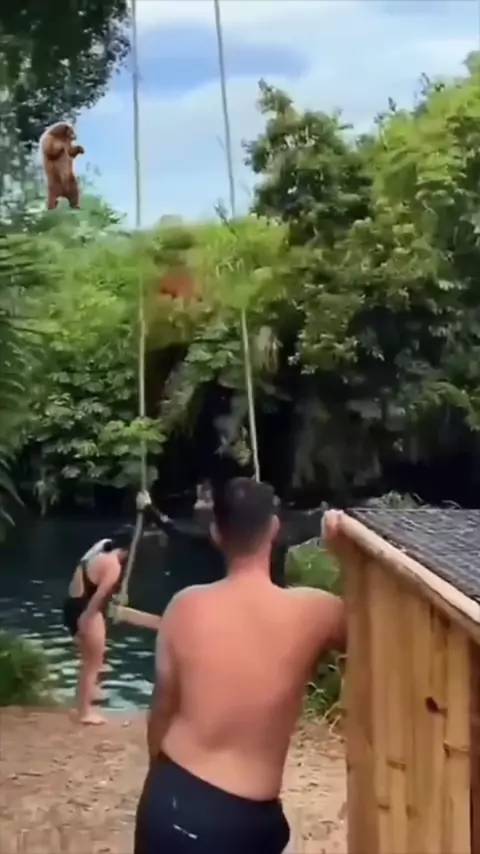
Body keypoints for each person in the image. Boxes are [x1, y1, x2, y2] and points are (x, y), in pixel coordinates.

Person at [134, 478, 345, 854]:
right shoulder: (316, 611)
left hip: (170, 798)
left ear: (216, 533)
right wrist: (344, 554)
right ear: (274, 527)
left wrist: (160, 782)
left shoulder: (183, 607)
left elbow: (162, 711)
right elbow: (377, 629)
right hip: (243, 818)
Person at [62, 526, 133, 725]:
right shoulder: (113, 566)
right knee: (93, 663)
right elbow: (99, 595)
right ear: (127, 550)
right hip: (85, 609)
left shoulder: (98, 551)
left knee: (88, 661)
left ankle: (82, 702)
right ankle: (85, 713)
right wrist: (87, 618)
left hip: (71, 606)